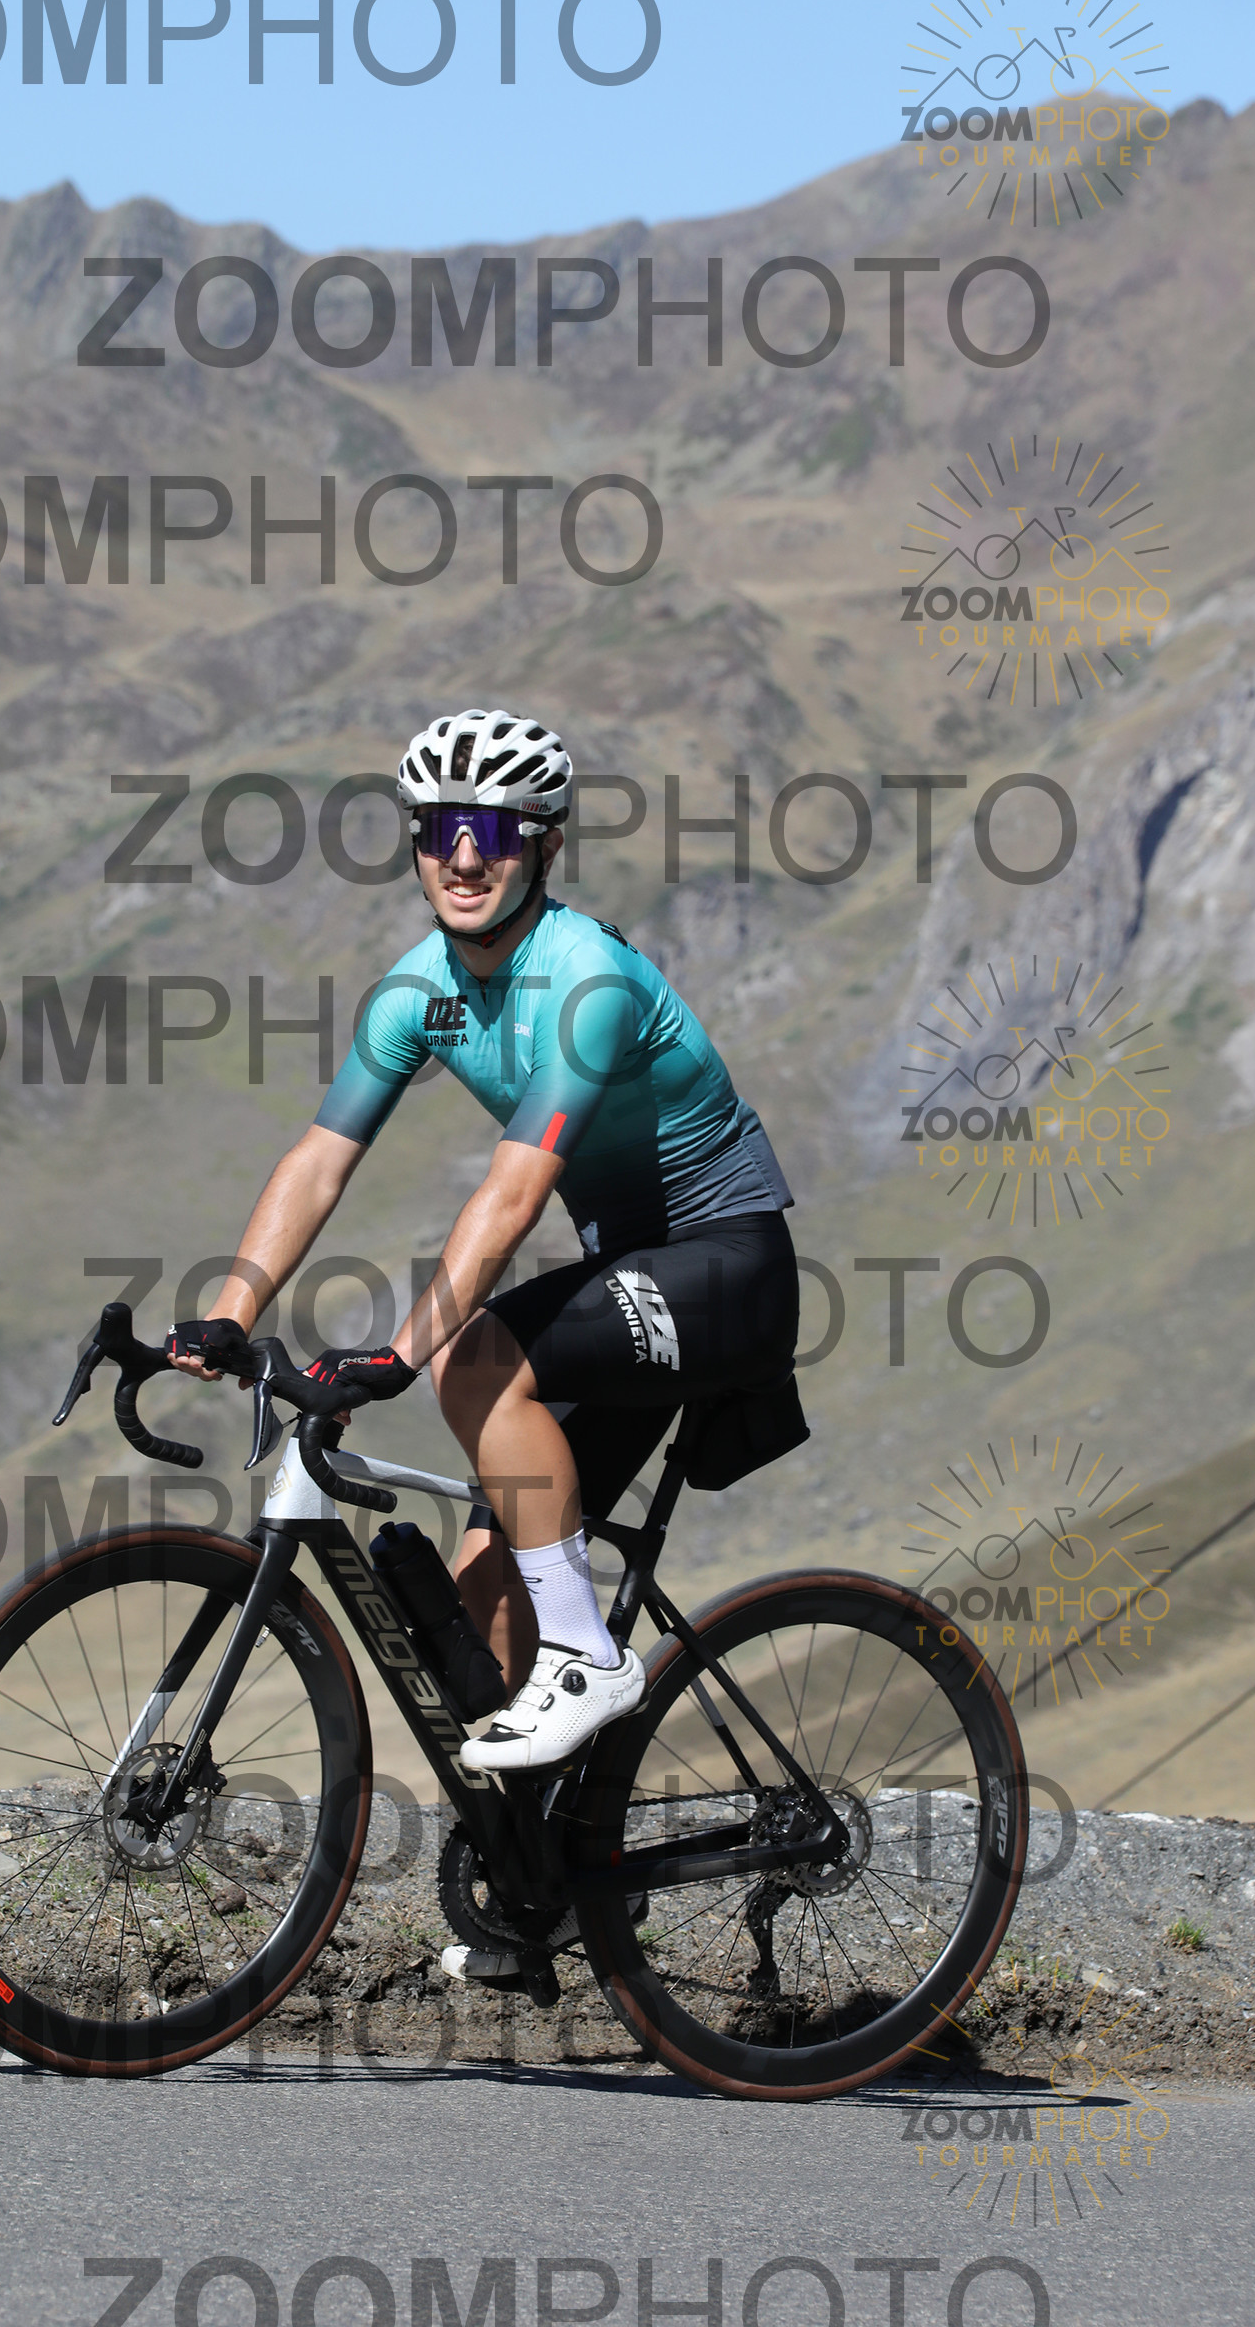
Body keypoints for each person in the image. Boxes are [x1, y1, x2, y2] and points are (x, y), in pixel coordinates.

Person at [171, 706, 799, 1782]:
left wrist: (399, 1355)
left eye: (497, 831)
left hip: (726, 1266)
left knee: (474, 1363)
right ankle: (532, 1865)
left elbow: (513, 1196)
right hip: (627, 1277)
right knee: (483, 1593)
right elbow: (319, 1160)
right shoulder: (418, 990)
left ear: (544, 847)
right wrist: (231, 1314)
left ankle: (588, 1661)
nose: (464, 857)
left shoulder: (587, 981)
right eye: (440, 829)